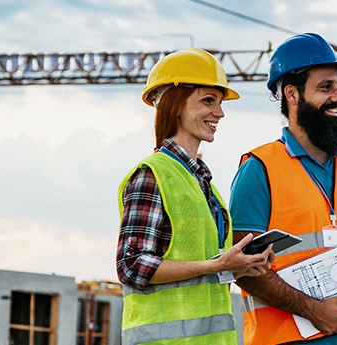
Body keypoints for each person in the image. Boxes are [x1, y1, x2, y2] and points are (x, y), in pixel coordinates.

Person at [229, 32, 337, 345]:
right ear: (292, 94)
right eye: (326, 87)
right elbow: (242, 267)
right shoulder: (259, 168)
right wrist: (313, 310)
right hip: (283, 339)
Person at [116, 48, 272, 344]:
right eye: (208, 100)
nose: (220, 112)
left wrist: (241, 265)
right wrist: (216, 265)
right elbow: (132, 265)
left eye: (220, 102)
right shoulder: (152, 174)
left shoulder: (203, 185)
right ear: (176, 105)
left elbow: (204, 268)